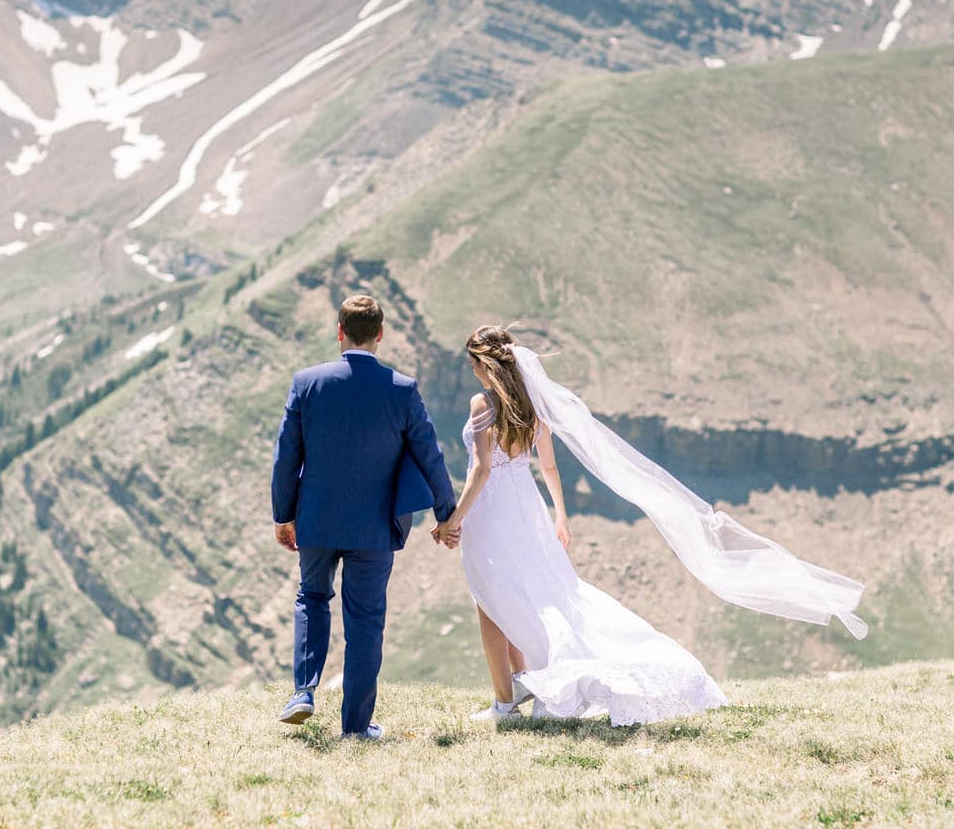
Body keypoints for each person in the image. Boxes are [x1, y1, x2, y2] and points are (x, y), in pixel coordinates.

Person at [435, 325, 867, 725]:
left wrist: (456, 518)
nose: (471, 372)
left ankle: (503, 702)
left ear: (484, 364)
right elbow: (547, 467)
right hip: (529, 513)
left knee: (492, 598)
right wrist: (560, 515)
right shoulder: (533, 404)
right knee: (525, 594)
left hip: (493, 513)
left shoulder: (483, 403)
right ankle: (523, 682)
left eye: (473, 363)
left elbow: (482, 472)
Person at [270, 295, 458, 740]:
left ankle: (304, 691)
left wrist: (284, 514)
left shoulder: (307, 383)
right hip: (375, 525)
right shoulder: (401, 389)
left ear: (339, 333)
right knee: (365, 621)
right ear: (380, 334)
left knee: (312, 598)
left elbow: (285, 456)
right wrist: (446, 513)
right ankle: (354, 728)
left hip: (316, 518)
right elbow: (430, 455)